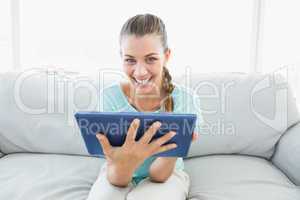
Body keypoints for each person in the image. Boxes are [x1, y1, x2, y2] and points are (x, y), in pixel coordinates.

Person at [86, 13, 203, 200]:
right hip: (117, 173)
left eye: (150, 59)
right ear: (121, 57)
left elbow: (159, 176)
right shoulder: (109, 97)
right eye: (130, 60)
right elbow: (117, 179)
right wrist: (129, 161)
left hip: (166, 176)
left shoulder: (185, 100)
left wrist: (175, 150)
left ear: (166, 56)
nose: (140, 72)